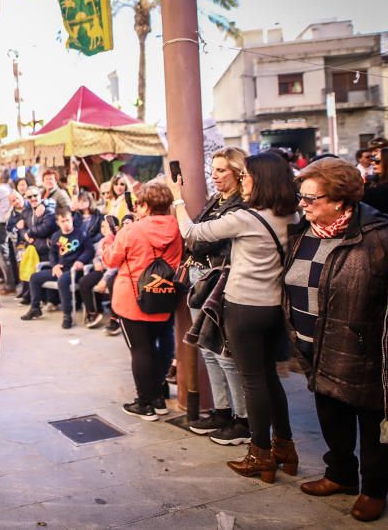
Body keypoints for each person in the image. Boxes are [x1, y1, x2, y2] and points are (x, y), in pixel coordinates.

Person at [283, 158, 388, 522]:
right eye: (300, 197)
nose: (302, 205)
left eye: (310, 198)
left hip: (362, 350)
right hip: (312, 344)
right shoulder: (303, 233)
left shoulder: (384, 237)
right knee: (331, 416)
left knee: (371, 427)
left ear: (340, 200)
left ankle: (373, 491)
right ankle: (340, 475)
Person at [169, 152, 299, 482]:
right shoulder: (293, 216)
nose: (244, 181)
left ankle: (260, 454)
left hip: (244, 307)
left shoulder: (246, 217)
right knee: (269, 378)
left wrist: (177, 200)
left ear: (261, 180)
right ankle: (284, 445)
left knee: (252, 380)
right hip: (275, 307)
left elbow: (192, 233)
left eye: (246, 177)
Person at [184, 148, 251, 446]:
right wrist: (195, 239)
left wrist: (196, 239)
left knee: (224, 352)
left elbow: (200, 240)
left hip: (219, 278)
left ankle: (242, 420)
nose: (214, 175)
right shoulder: (216, 201)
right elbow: (193, 236)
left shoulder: (240, 207)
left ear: (238, 172)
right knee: (206, 348)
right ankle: (222, 411)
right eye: (214, 169)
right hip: (199, 277)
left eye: (222, 169)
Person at [102, 182, 183, 420]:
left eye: (139, 203)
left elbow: (111, 260)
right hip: (165, 295)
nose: (136, 208)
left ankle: (144, 403)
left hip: (133, 299)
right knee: (160, 346)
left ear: (146, 206)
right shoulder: (178, 228)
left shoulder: (131, 231)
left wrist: (108, 240)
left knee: (140, 351)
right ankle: (158, 398)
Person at [24, 207, 95, 328]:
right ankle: (35, 308)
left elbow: (89, 250)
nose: (66, 223)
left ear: (72, 219)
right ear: (58, 222)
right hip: (60, 269)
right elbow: (52, 254)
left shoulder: (81, 234)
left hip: (74, 270)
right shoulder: (56, 236)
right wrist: (54, 265)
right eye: (62, 221)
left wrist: (80, 261)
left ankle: (67, 315)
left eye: (67, 220)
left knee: (62, 281)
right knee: (34, 277)